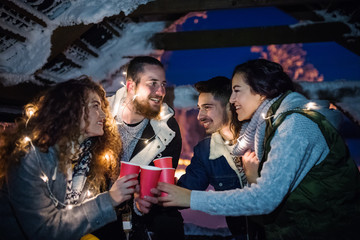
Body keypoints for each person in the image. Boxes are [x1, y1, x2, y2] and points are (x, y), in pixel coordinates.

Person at [157, 59, 360, 240]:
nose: (232, 99)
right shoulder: (268, 129)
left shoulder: (294, 125)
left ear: (261, 90)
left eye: (237, 90)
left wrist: (192, 198)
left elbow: (265, 199)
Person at [0, 76, 138, 240]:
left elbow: (76, 217)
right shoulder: (30, 158)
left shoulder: (87, 159)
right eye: (95, 106)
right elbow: (45, 231)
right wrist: (110, 199)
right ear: (70, 109)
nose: (103, 114)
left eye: (102, 108)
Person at [105, 56, 184, 240]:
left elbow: (160, 186)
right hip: (100, 213)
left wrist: (141, 203)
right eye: (153, 83)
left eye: (163, 84)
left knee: (168, 225)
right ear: (131, 86)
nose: (160, 91)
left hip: (143, 219)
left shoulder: (167, 130)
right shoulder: (101, 116)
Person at [177, 76, 263, 239]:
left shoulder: (260, 139)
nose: (199, 116)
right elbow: (185, 191)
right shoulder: (206, 150)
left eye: (207, 107)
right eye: (199, 108)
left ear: (230, 106)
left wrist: (254, 179)